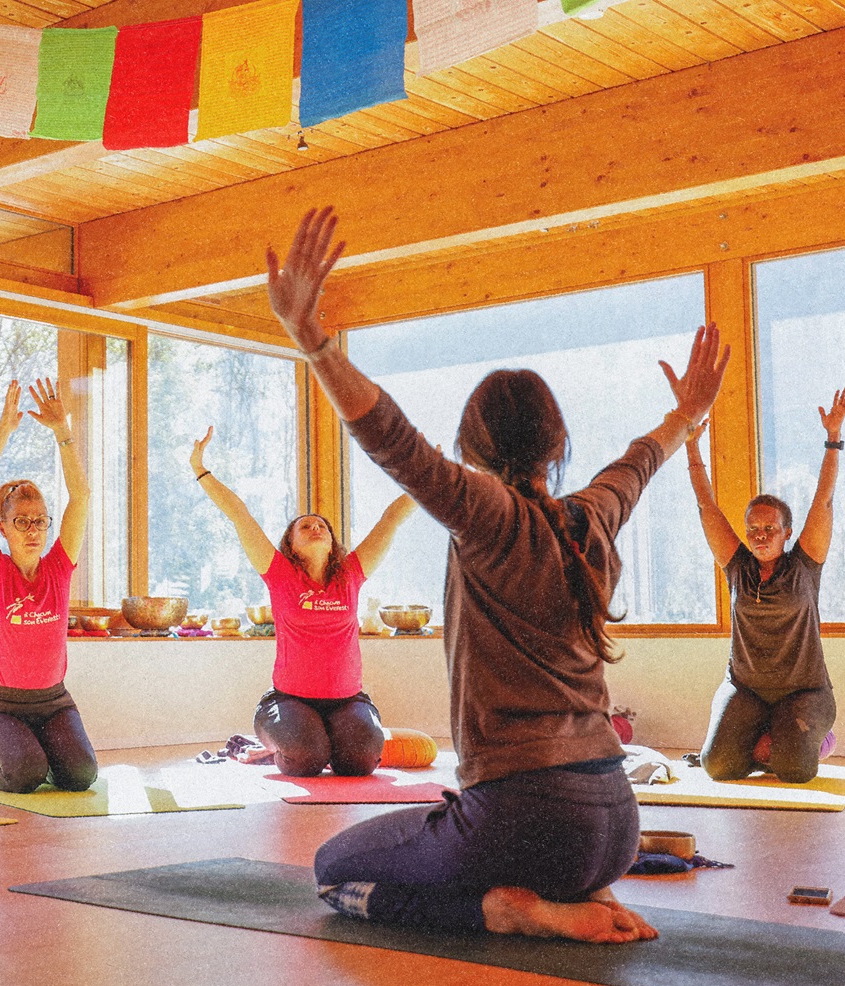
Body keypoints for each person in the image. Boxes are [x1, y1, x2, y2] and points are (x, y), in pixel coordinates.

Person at [266, 207, 729, 944]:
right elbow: (642, 459)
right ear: (558, 445)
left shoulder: (487, 514)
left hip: (524, 823)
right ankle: (575, 893)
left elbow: (392, 440)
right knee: (439, 829)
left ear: (470, 447)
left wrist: (313, 341)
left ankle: (513, 911)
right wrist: (689, 412)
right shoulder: (591, 517)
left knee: (334, 869)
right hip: (613, 827)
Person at [190, 426, 417, 777]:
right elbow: (240, 514)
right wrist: (201, 470)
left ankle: (327, 740)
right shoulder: (280, 574)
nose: (315, 528)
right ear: (291, 546)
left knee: (360, 763)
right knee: (305, 759)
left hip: (348, 701)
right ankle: (270, 745)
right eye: (305, 526)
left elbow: (392, 519)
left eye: (321, 526)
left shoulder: (351, 574)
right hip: (287, 701)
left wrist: (427, 475)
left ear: (332, 543)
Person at [682, 388, 845, 784]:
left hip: (804, 693)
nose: (760, 536)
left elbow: (823, 501)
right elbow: (706, 506)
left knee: (797, 770)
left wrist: (833, 438)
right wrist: (692, 446)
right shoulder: (736, 566)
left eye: (770, 529)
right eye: (753, 529)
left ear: (786, 532)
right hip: (745, 690)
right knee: (718, 768)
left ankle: (813, 740)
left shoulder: (804, 565)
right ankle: (766, 738)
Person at [0, 378, 96, 794]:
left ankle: (40, 752)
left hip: (54, 705)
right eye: (21, 521)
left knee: (80, 778)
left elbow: (81, 496)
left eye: (40, 520)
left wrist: (64, 432)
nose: (33, 529)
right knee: (23, 776)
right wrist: (4, 430)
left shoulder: (59, 566)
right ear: (2, 527)